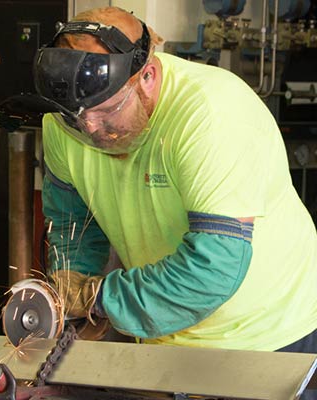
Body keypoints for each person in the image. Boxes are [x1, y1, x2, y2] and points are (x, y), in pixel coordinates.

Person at [35, 5, 317, 359]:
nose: (90, 128)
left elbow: (214, 268)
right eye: (74, 118)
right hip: (163, 334)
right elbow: (72, 224)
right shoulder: (64, 124)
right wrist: (68, 292)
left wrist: (99, 298)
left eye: (107, 110)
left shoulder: (212, 114)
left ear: (148, 76)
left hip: (264, 335)